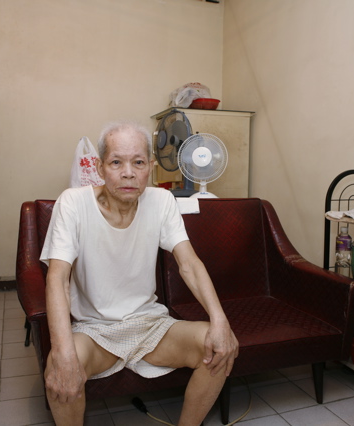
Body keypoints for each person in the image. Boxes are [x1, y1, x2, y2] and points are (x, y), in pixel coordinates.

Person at [40, 120, 238, 426]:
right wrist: (63, 351)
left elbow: (189, 263)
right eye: (116, 162)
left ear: (151, 167)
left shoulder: (162, 201)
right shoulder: (73, 203)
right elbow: (57, 278)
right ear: (100, 167)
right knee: (59, 363)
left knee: (218, 346)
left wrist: (220, 321)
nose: (128, 173)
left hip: (150, 325)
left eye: (138, 162)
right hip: (95, 331)